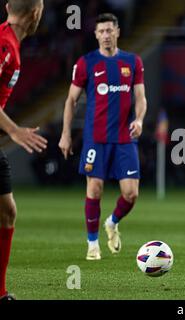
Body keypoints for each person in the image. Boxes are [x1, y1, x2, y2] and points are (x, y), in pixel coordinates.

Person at [59, 13, 147, 261]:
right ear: (96, 35)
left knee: (131, 194)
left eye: (110, 30)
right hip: (95, 138)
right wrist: (65, 134)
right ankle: (92, 244)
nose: (106, 35)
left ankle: (112, 222)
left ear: (117, 31)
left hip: (124, 137)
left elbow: (141, 98)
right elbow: (71, 100)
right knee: (94, 189)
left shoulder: (133, 61)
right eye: (102, 31)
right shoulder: (87, 63)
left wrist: (139, 119)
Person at [0, 0, 47, 301]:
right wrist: (14, 130)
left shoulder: (10, 44)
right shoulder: (4, 45)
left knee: (7, 211)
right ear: (35, 14)